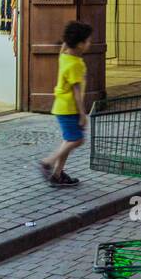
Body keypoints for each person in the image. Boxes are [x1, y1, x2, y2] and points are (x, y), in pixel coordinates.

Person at [40, 20, 93, 187]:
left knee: (68, 140)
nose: (89, 44)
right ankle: (48, 162)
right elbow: (77, 93)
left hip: (61, 107)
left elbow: (64, 45)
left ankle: (57, 175)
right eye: (87, 40)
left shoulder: (64, 56)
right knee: (77, 140)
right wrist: (83, 114)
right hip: (69, 108)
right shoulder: (75, 64)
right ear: (79, 44)